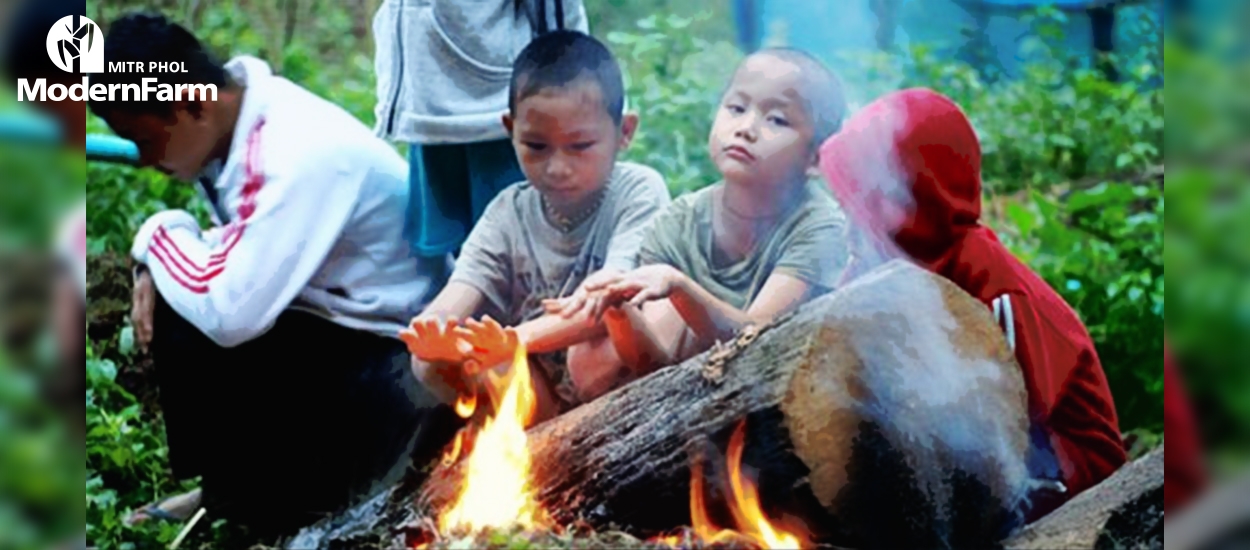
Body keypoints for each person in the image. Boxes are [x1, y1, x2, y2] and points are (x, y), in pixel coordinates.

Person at [86, 13, 446, 533]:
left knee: (188, 304)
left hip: (408, 378)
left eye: (145, 139)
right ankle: (228, 492)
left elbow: (231, 312)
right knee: (184, 287)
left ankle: (261, 507)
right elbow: (237, 261)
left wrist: (156, 234)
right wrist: (160, 254)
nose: (142, 159)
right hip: (351, 332)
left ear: (195, 103)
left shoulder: (292, 151)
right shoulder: (239, 128)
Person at [817, 87, 1126, 520]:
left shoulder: (994, 289)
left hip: (1069, 477)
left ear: (918, 202)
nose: (850, 229)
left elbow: (1013, 424)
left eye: (863, 208)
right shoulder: (885, 264)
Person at [402, 30, 670, 422]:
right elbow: (459, 293)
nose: (558, 167)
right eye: (537, 146)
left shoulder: (638, 191)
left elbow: (611, 298)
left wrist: (514, 341)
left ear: (624, 132)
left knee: (602, 341)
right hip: (535, 393)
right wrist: (435, 334)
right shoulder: (507, 212)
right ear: (510, 129)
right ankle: (521, 447)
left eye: (580, 146)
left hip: (621, 382)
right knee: (428, 362)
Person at [547, 48, 850, 381]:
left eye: (776, 119)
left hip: (787, 400)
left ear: (816, 159)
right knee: (588, 357)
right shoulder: (680, 221)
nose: (746, 128)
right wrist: (618, 309)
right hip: (691, 402)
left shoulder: (818, 226)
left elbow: (758, 347)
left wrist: (680, 286)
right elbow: (653, 369)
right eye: (736, 108)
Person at [373, 0, 588, 287]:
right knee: (446, 261)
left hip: (496, 112)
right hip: (427, 106)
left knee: (521, 260)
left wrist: (570, 87)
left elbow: (556, 11)